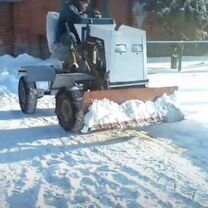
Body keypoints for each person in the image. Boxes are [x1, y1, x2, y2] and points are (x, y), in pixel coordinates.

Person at [55, 0, 90, 71]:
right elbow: (77, 18)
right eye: (85, 3)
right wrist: (86, 16)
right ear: (80, 2)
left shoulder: (78, 11)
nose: (86, 6)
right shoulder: (68, 8)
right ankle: (73, 65)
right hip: (64, 36)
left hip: (75, 39)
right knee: (71, 36)